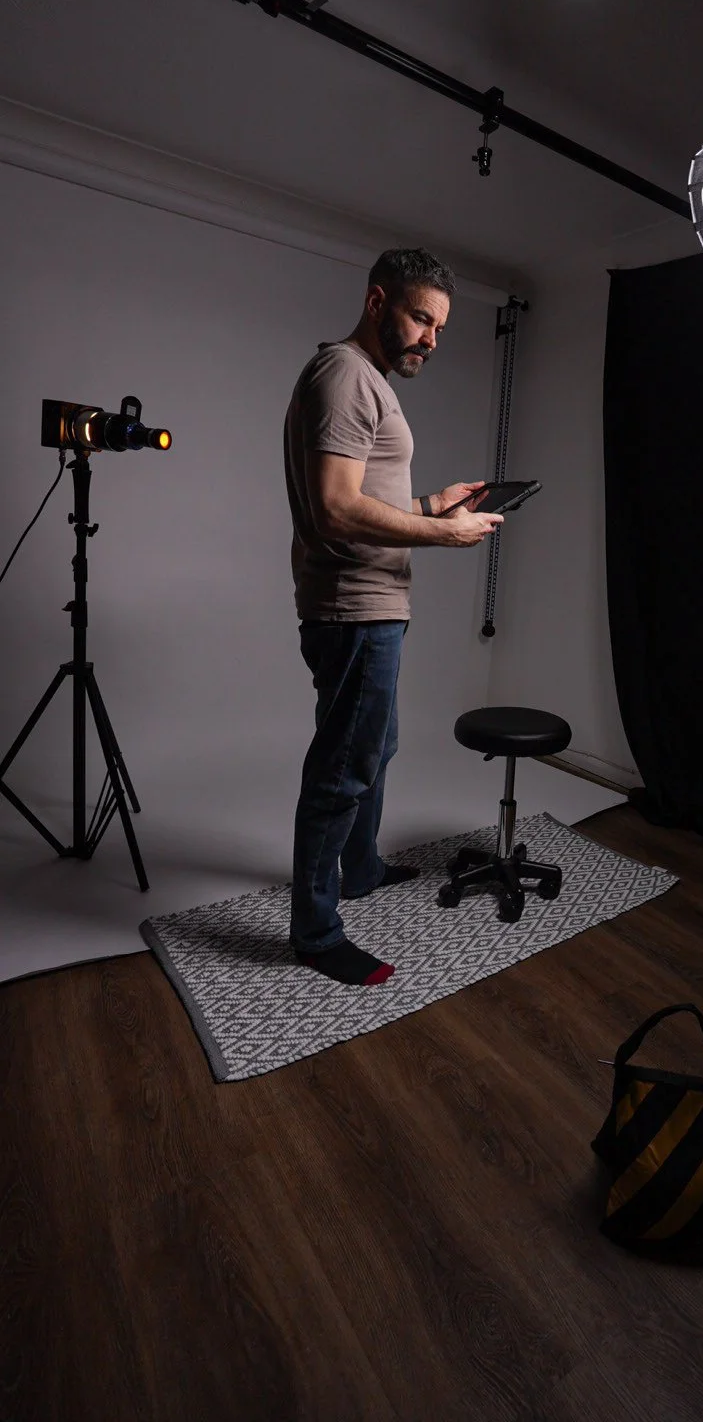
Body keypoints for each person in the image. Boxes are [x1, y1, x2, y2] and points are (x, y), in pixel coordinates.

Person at [282, 247, 505, 985]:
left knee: (372, 751)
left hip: (368, 607)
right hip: (354, 609)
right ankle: (316, 934)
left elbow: (361, 496)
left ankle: (362, 868)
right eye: (420, 318)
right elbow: (336, 508)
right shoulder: (345, 375)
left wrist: (428, 505)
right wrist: (447, 534)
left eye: (439, 327)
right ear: (378, 303)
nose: (431, 340)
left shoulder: (359, 379)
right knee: (344, 769)